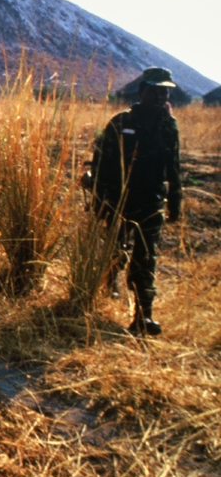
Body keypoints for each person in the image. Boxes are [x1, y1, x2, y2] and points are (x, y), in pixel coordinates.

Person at [92, 67, 182, 336]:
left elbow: (174, 166)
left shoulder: (169, 126)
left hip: (151, 200)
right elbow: (101, 164)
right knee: (116, 250)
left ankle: (143, 316)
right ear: (142, 91)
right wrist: (99, 200)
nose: (161, 96)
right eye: (156, 90)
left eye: (165, 91)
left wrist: (175, 201)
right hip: (119, 199)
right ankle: (110, 282)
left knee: (146, 257)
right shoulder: (120, 123)